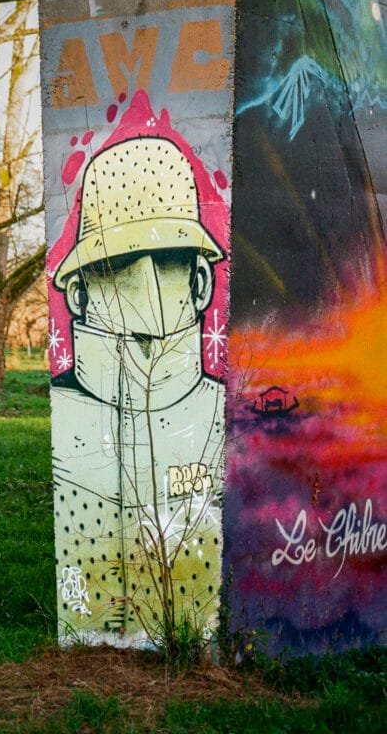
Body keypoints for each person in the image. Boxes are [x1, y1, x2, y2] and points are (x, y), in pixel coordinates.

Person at [51, 136, 225, 644]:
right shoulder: (67, 420)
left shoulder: (219, 418)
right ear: (79, 295)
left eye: (163, 260)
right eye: (121, 267)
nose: (145, 291)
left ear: (200, 284)